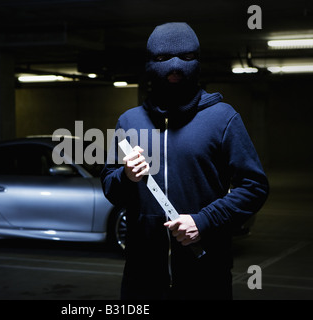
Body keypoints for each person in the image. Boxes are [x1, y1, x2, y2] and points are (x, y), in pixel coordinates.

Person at [101, 22, 269, 300]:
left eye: (187, 58)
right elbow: (110, 187)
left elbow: (254, 187)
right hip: (142, 278)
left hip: (205, 274)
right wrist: (125, 176)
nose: (175, 67)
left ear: (198, 61)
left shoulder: (222, 118)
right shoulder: (129, 122)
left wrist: (203, 221)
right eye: (163, 59)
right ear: (150, 62)